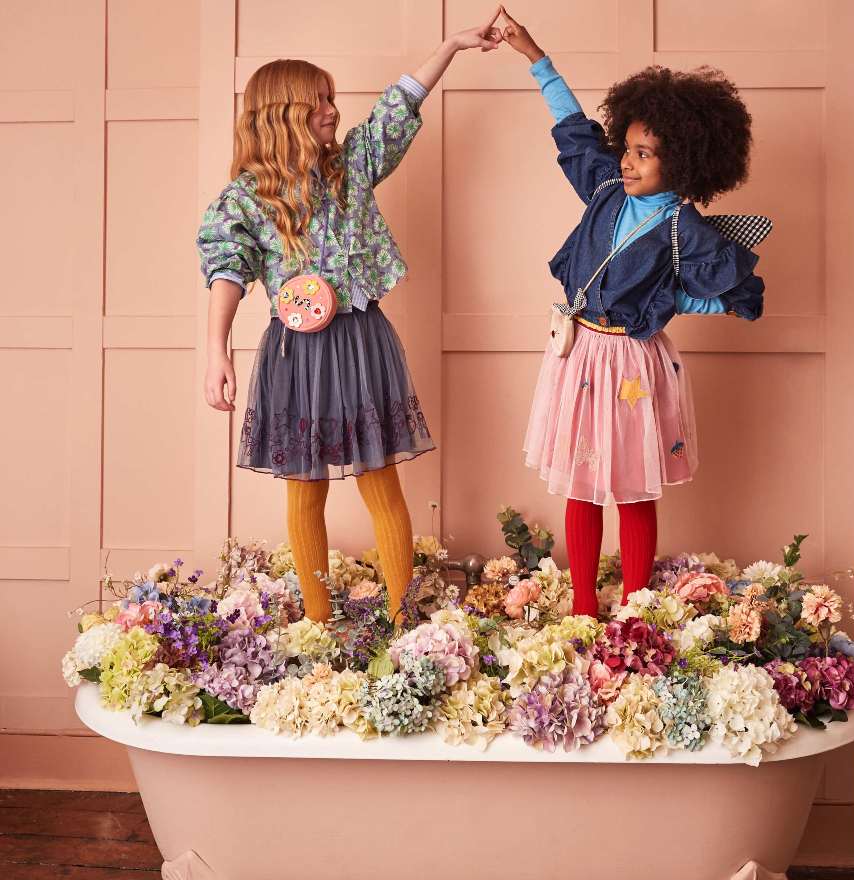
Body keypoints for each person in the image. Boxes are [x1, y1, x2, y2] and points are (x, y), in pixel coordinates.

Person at [197, 12, 503, 623]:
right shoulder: (245, 198)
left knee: (380, 479)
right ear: (282, 114)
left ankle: (400, 620)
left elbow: (399, 108)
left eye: (332, 100)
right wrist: (216, 351)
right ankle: (316, 622)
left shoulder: (351, 168)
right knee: (304, 489)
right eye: (319, 104)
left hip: (363, 341)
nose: (333, 111)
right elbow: (227, 269)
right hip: (297, 353)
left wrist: (450, 46)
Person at [500, 8, 765, 617]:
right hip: (579, 352)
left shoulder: (684, 225)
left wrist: (676, 300)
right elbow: (572, 126)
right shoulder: (604, 190)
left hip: (631, 368)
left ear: (684, 163)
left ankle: (637, 603)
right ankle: (586, 607)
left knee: (632, 487)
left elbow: (736, 292)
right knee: (580, 484)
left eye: (646, 154)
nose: (628, 160)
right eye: (629, 147)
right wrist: (534, 55)